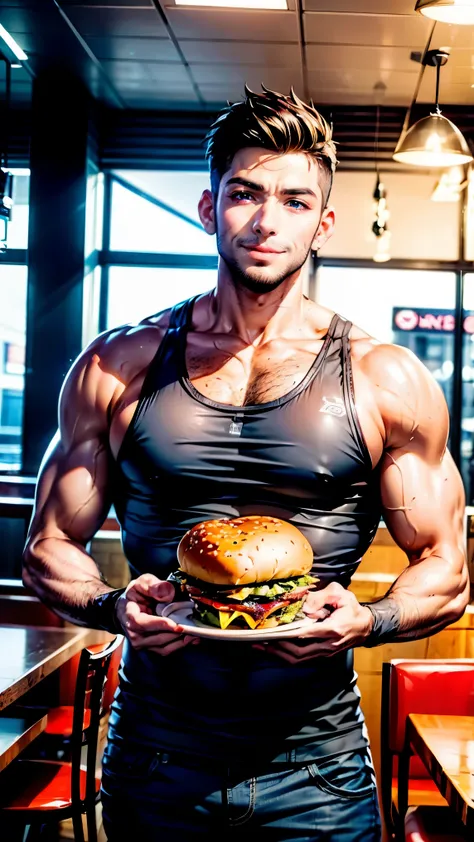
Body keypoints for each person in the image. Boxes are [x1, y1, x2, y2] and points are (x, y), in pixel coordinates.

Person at [23, 86, 469, 842]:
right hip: (157, 754)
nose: (267, 221)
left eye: (295, 201)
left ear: (323, 224)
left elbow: (448, 566)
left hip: (316, 768)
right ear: (209, 208)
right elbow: (48, 548)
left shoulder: (385, 378)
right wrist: (111, 607)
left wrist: (371, 617)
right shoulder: (117, 364)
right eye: (246, 194)